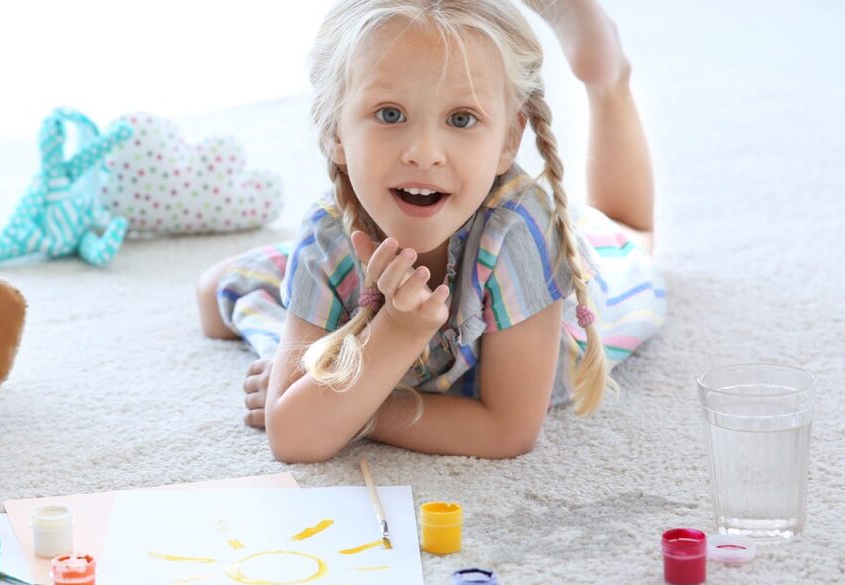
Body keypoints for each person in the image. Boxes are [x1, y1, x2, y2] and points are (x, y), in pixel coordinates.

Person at [195, 0, 666, 462]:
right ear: (335, 129)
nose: (424, 153)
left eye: (461, 119)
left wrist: (365, 397)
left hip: (539, 306)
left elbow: (509, 430)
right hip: (381, 250)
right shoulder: (328, 230)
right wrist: (376, 352)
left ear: (508, 140)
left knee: (628, 234)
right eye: (390, 114)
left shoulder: (519, 234)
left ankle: (608, 81)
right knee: (216, 295)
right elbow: (294, 437)